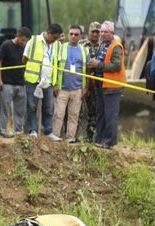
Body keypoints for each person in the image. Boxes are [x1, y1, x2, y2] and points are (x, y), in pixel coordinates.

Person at [87, 20, 126, 148]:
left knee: (110, 116)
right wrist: (94, 69)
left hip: (112, 87)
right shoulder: (102, 44)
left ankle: (110, 142)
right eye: (102, 31)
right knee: (101, 115)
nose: (102, 34)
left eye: (106, 32)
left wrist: (98, 65)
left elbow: (116, 66)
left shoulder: (116, 46)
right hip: (101, 85)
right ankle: (99, 140)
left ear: (112, 33)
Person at [22, 23, 63, 140]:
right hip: (33, 80)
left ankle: (49, 132)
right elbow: (24, 59)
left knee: (48, 107)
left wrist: (56, 84)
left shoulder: (57, 45)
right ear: (48, 33)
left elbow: (57, 63)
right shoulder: (33, 41)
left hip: (48, 81)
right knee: (32, 106)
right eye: (54, 37)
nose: (55, 40)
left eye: (57, 38)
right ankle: (33, 131)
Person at [52, 24, 89, 143]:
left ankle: (70, 138)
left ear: (80, 36)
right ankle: (55, 137)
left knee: (74, 115)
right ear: (68, 35)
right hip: (62, 88)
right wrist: (55, 84)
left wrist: (86, 87)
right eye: (71, 34)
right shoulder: (61, 48)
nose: (73, 36)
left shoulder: (84, 50)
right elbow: (54, 67)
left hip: (77, 89)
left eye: (76, 34)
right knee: (58, 114)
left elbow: (88, 70)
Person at [0, 26, 31, 135]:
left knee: (20, 110)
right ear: (18, 36)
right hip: (7, 83)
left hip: (21, 83)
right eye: (23, 40)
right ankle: (2, 129)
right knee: (5, 109)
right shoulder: (6, 45)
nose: (23, 42)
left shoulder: (25, 48)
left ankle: (18, 131)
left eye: (26, 41)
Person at [78, 21, 100, 142]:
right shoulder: (81, 44)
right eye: (93, 31)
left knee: (94, 112)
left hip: (96, 84)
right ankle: (73, 136)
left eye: (98, 32)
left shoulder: (103, 46)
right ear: (89, 32)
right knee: (78, 111)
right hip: (81, 82)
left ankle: (90, 138)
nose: (96, 34)